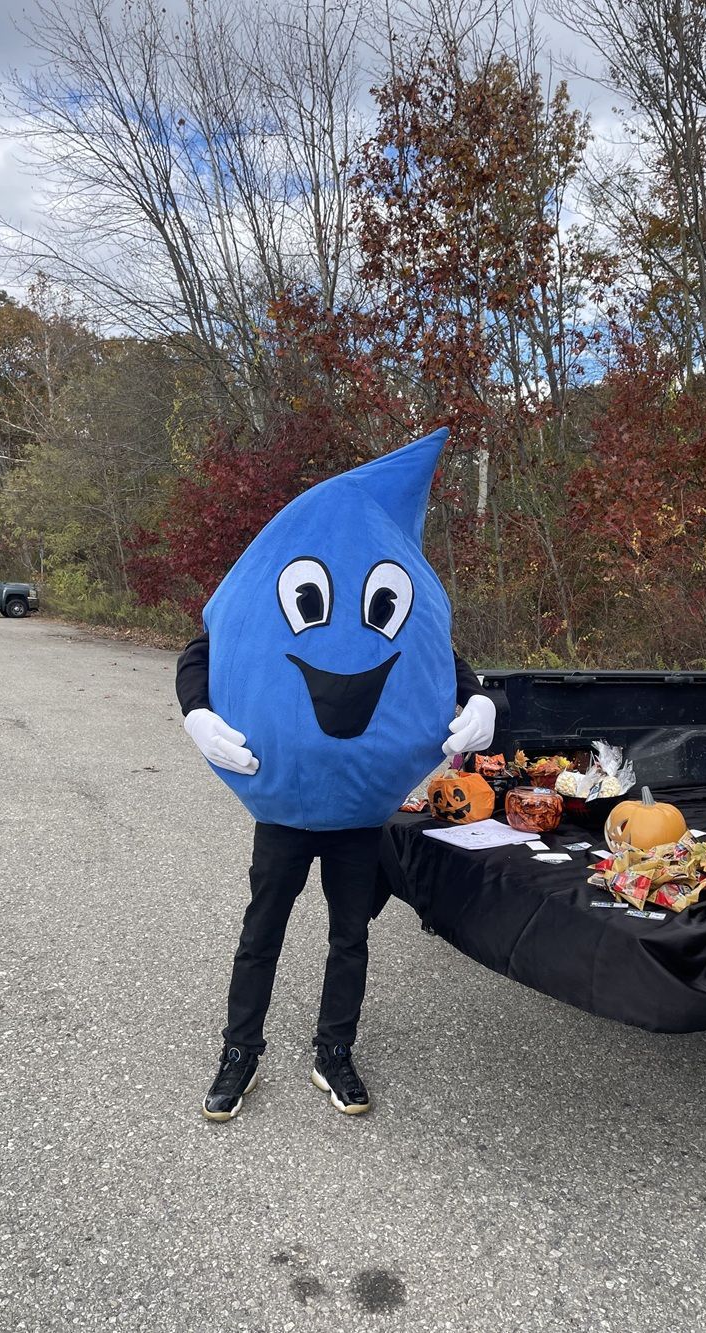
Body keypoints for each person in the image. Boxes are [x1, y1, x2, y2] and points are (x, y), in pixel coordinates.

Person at [176, 430, 496, 1119]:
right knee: (263, 930)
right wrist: (196, 711)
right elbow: (206, 647)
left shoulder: (398, 591)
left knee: (350, 934)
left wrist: (480, 700)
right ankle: (240, 1051)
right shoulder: (266, 584)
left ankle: (334, 1050)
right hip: (285, 809)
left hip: (359, 813)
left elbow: (435, 661)